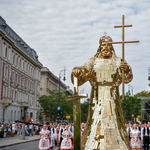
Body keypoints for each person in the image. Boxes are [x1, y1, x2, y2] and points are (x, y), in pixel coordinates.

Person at [71, 34, 132, 149]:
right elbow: (84, 71)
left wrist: (127, 70)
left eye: (109, 45)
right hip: (97, 99)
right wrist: (77, 71)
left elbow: (127, 78)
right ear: (99, 47)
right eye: (103, 45)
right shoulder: (93, 61)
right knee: (95, 123)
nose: (106, 48)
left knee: (115, 122)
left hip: (112, 99)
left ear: (112, 47)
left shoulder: (118, 61)